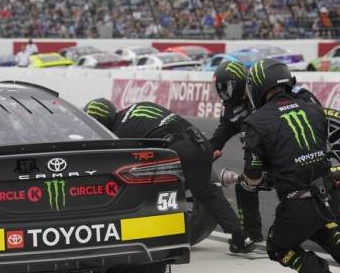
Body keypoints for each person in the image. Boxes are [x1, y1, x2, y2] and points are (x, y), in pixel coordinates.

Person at [239, 59, 340, 273]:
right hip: (328, 192)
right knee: (319, 226)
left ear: (257, 86)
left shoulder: (255, 122)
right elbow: (313, 150)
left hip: (298, 200)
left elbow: (253, 174)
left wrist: (250, 181)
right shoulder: (312, 108)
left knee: (278, 246)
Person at [84, 98, 256, 253]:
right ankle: (241, 238)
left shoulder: (119, 132)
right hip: (201, 142)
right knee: (207, 192)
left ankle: (239, 237)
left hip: (182, 150)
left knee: (149, 190)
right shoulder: (139, 106)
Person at [210, 60, 340, 242]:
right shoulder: (231, 111)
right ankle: (251, 235)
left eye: (226, 88)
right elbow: (218, 139)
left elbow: (318, 120)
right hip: (266, 159)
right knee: (245, 185)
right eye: (220, 90)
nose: (223, 95)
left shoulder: (292, 95)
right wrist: (203, 153)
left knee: (315, 180)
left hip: (298, 154)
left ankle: (338, 218)